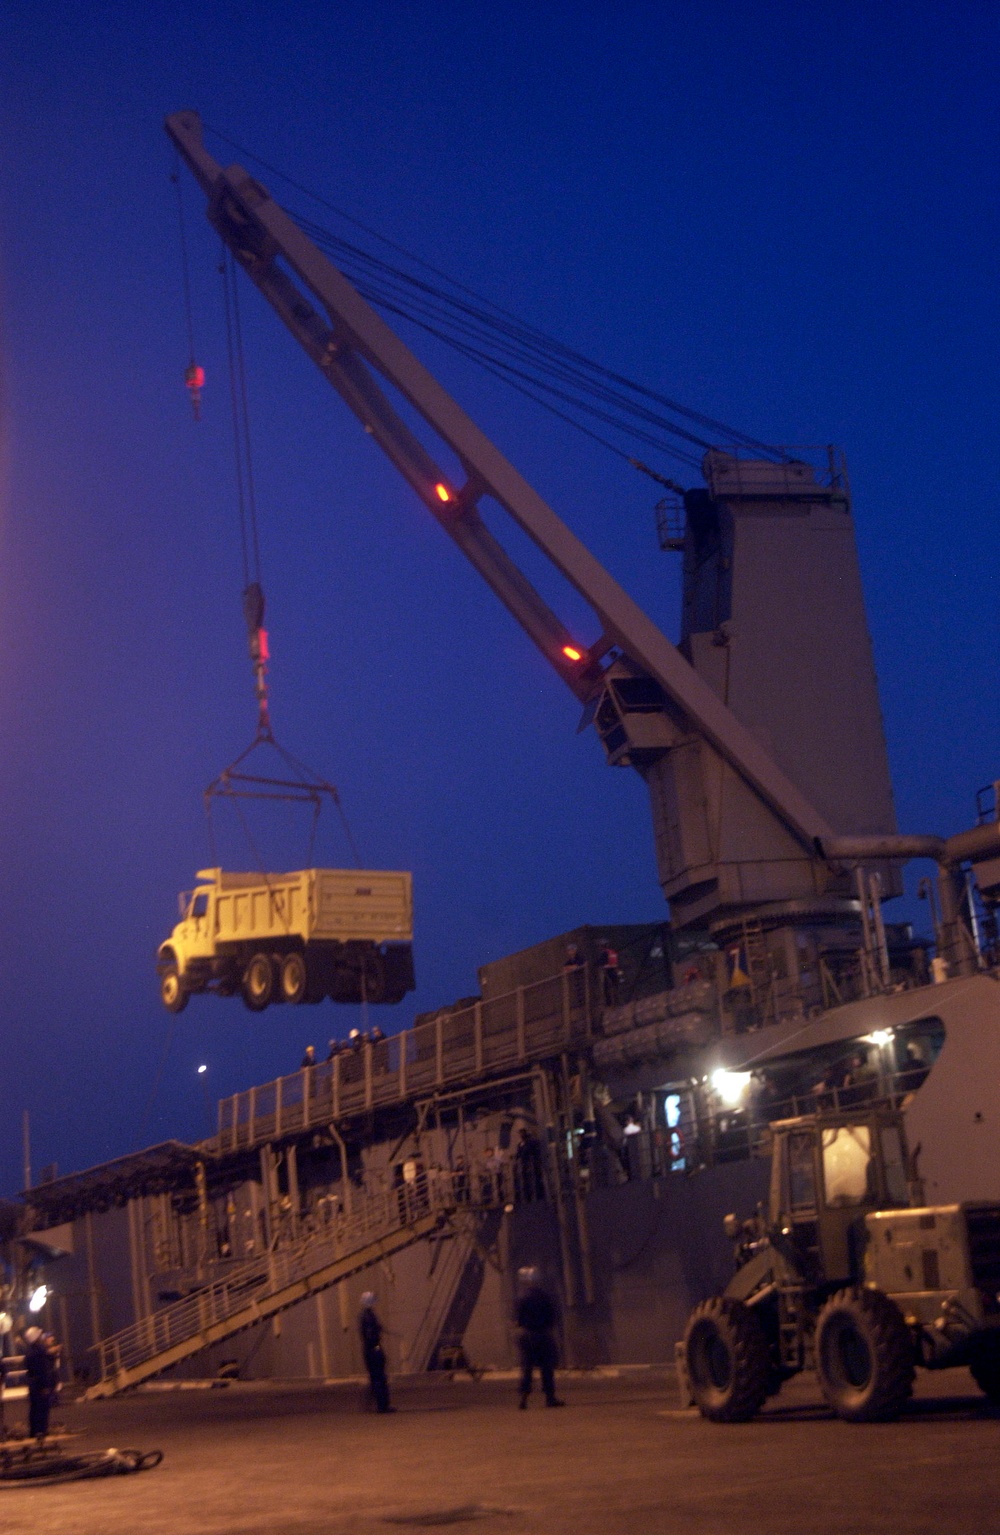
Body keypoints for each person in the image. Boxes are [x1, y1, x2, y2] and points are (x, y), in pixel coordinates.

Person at [515, 1267, 563, 1409]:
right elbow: (551, 1316)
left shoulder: (520, 1297)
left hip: (526, 1335)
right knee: (546, 1367)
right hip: (542, 1334)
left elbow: (518, 1318)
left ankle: (523, 1399)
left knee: (527, 1367)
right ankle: (550, 1398)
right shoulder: (543, 1296)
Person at [359, 1292, 393, 1413]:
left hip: (368, 1350)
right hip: (373, 1350)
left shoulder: (364, 1315)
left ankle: (379, 1405)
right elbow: (370, 1335)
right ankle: (382, 1405)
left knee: (375, 1378)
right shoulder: (369, 1316)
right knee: (379, 1378)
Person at [23, 1326, 59, 1441]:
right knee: (42, 1410)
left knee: (34, 1410)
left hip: (32, 1385)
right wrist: (45, 1386)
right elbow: (43, 1370)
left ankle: (34, 1433)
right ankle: (41, 1433)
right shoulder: (39, 1351)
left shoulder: (30, 1352)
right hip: (40, 1385)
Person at [513, 1129, 545, 1203]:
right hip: (524, 1164)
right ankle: (528, 1197)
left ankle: (539, 1196)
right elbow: (519, 1154)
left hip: (533, 1163)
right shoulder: (520, 1144)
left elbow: (534, 1151)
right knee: (525, 1181)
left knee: (536, 1179)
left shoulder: (532, 1142)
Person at [598, 940, 621, 1005]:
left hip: (607, 972)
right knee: (615, 987)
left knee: (606, 988)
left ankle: (609, 1003)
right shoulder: (612, 952)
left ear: (601, 946)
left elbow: (601, 964)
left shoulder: (604, 953)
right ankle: (617, 1002)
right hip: (614, 971)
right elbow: (615, 962)